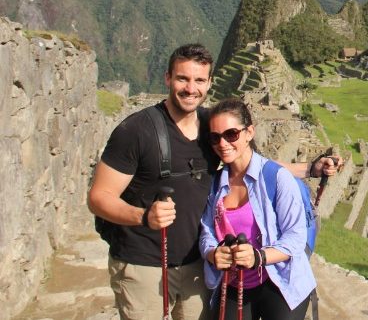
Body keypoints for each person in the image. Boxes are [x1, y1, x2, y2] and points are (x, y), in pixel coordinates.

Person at [88, 44, 340, 320]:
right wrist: (144, 215)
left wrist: (310, 169)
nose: (190, 88)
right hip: (144, 264)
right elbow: (99, 197)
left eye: (199, 80)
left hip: (197, 265)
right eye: (182, 78)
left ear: (209, 83)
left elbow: (248, 161)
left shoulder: (211, 127)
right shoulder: (136, 130)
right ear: (168, 78)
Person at [199, 98, 315, 319]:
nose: (223, 143)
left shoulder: (277, 178)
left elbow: (296, 237)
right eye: (215, 137)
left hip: (279, 280)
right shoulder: (215, 184)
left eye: (231, 134)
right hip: (235, 281)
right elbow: (207, 231)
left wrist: (258, 257)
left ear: (249, 132)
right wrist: (213, 254)